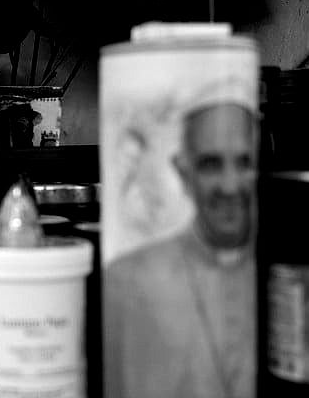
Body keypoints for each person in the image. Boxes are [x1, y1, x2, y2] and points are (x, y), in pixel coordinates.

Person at [104, 101, 257, 398]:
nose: (230, 186)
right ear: (184, 173)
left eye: (244, 163)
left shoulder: (288, 274)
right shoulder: (127, 280)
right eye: (211, 164)